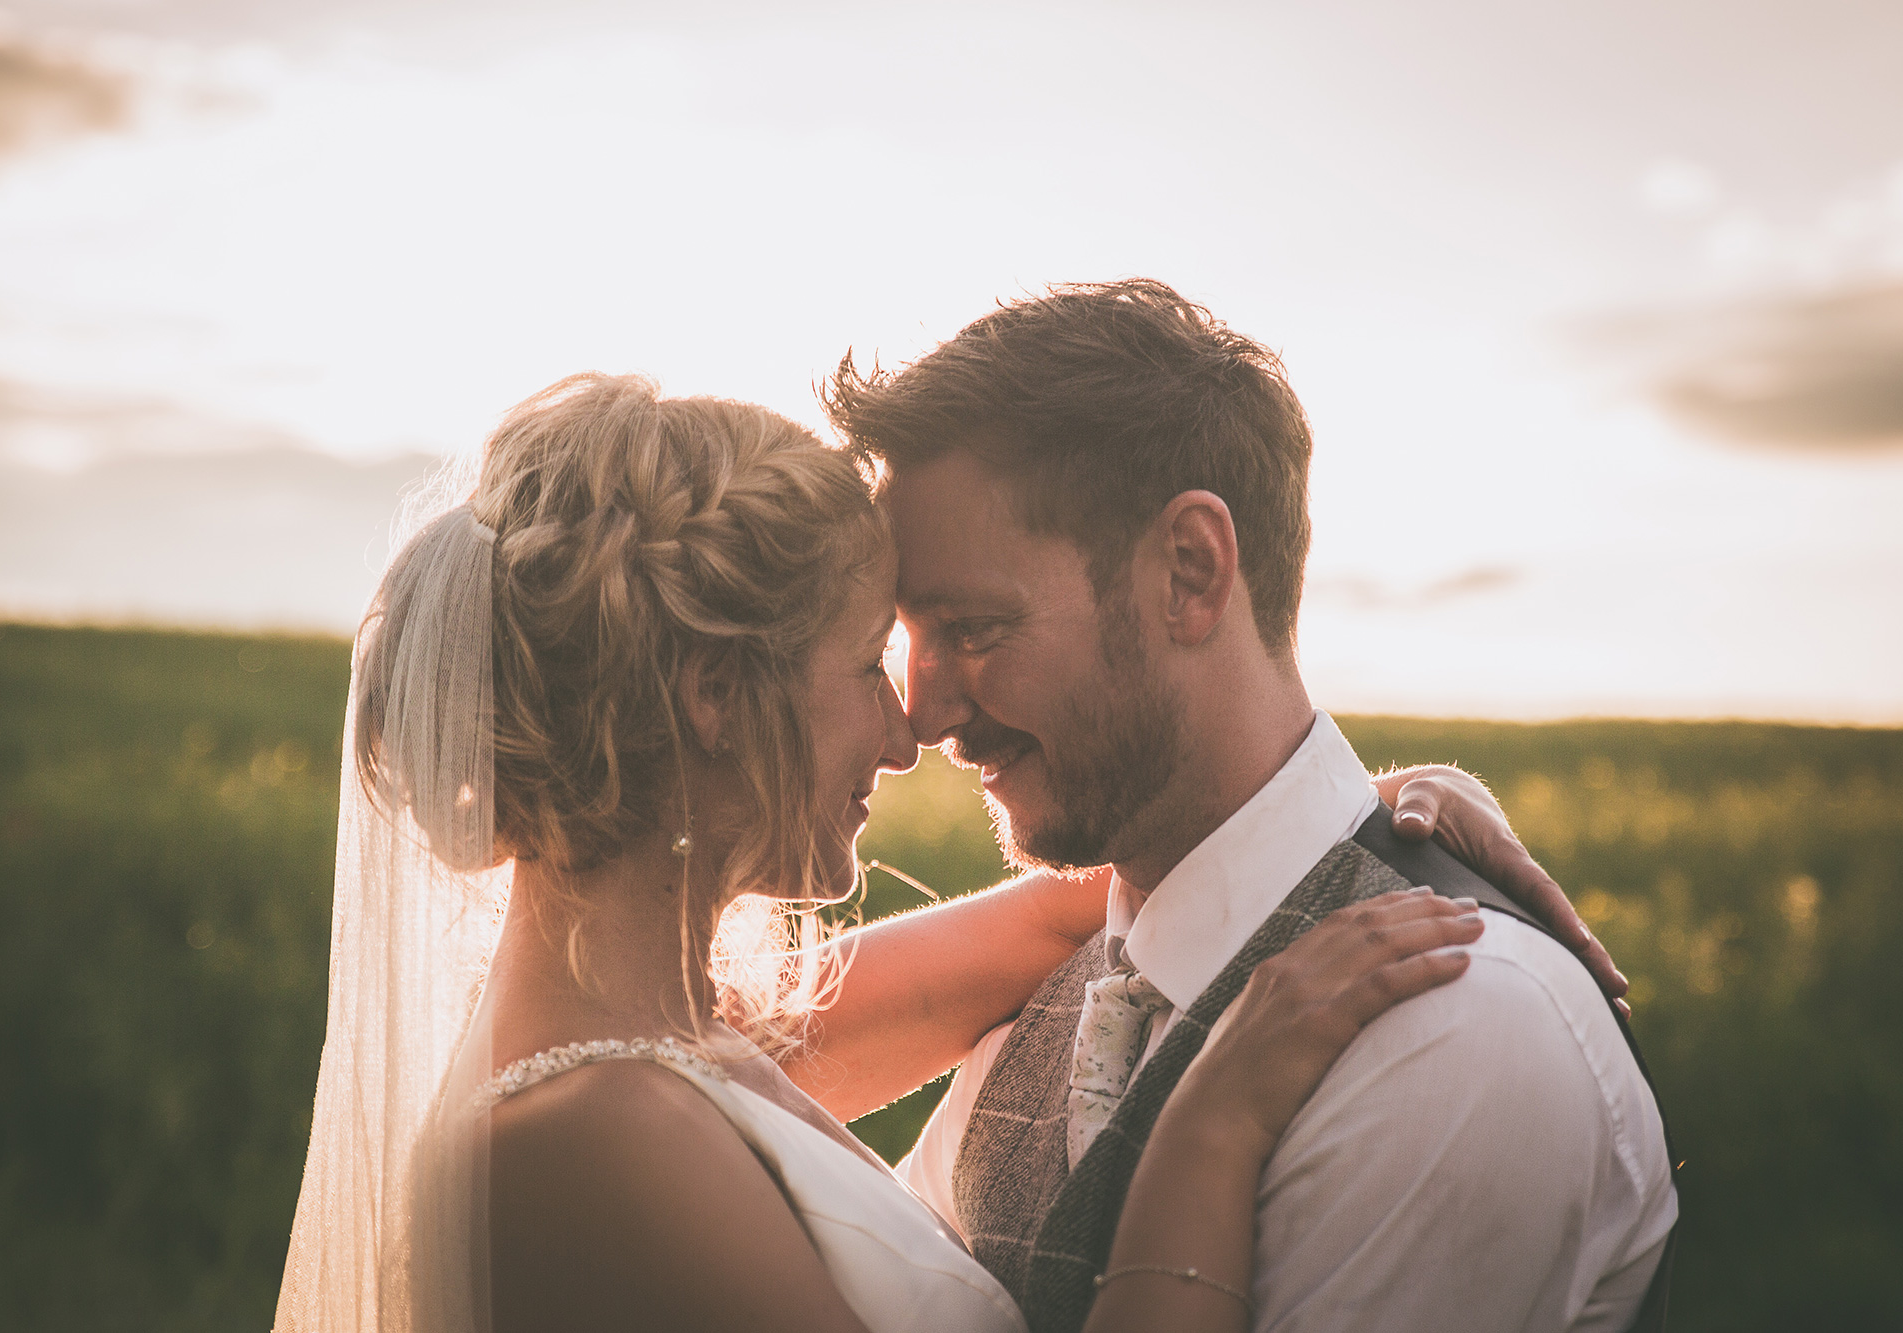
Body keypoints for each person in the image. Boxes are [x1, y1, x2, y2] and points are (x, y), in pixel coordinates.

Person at [273, 372, 1619, 1333]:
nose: (907, 717)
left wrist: (1383, 808)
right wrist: (1216, 1125)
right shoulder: (587, 1137)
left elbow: (1096, 904)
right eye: (865, 660)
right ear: (713, 698)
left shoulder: (674, 1034)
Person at [823, 280, 1680, 1333]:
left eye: (970, 625)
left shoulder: (1450, 1030)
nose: (926, 714)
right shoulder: (1053, 1005)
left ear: (1189, 571)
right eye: (904, 637)